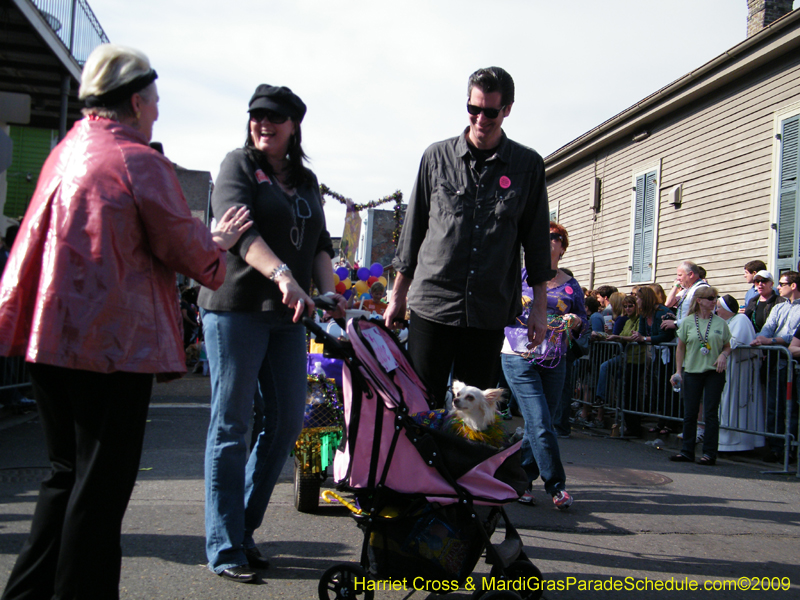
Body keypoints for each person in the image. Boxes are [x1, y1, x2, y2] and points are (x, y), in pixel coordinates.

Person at [0, 44, 251, 600]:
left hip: (49, 339)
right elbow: (183, 245)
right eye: (155, 102)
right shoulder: (137, 160)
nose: (157, 112)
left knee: (65, 477)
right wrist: (218, 245)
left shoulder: (66, 151)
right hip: (110, 346)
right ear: (136, 101)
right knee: (101, 491)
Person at [198, 84, 345, 583]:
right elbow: (240, 232)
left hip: (289, 316)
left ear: (293, 125)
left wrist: (330, 293)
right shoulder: (237, 165)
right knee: (232, 424)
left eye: (275, 118)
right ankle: (225, 545)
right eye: (257, 116)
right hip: (235, 308)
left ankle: (242, 528)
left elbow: (322, 243)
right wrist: (284, 275)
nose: (263, 124)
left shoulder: (306, 180)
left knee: (286, 422)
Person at [385, 66, 554, 408]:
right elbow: (414, 229)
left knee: (473, 414)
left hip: (487, 309)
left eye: (490, 112)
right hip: (433, 303)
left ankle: (463, 465)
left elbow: (536, 242)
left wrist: (539, 308)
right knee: (421, 405)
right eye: (473, 109)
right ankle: (419, 464)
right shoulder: (437, 157)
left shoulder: (527, 165)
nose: (480, 119)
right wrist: (397, 295)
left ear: (507, 109)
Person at [501, 222, 584, 509]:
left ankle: (520, 481)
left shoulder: (571, 285)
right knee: (537, 419)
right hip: (517, 354)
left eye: (554, 237)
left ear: (563, 246)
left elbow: (582, 320)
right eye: (543, 236)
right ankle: (556, 485)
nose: (548, 241)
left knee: (542, 423)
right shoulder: (519, 275)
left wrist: (575, 321)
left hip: (553, 358)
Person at [669, 286, 731, 466]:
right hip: (692, 372)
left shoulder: (720, 323)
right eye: (711, 298)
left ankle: (709, 453)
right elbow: (680, 348)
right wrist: (678, 371)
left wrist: (723, 355)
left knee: (711, 413)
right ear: (700, 301)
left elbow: (728, 345)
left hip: (714, 373)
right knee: (690, 413)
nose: (714, 301)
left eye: (715, 298)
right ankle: (687, 451)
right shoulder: (688, 322)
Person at [750, 271, 800, 463]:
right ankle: (775, 448)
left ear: (793, 286)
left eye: (781, 283)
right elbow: (768, 328)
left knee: (791, 409)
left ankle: (790, 449)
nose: (779, 287)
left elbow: (793, 338)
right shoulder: (779, 307)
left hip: (792, 364)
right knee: (773, 406)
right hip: (775, 362)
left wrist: (770, 340)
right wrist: (761, 339)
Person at [715, 295, 765, 452]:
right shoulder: (725, 322)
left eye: (719, 308)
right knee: (725, 405)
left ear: (728, 309)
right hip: (728, 369)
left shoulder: (741, 320)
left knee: (738, 405)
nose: (716, 310)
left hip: (740, 370)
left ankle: (739, 442)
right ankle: (724, 442)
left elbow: (734, 342)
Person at [631, 286, 676, 435]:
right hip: (657, 354)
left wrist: (644, 338)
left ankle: (670, 423)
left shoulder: (663, 312)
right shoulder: (644, 315)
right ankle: (661, 421)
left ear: (646, 299)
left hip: (669, 355)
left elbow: (666, 336)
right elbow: (643, 334)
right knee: (659, 387)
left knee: (668, 388)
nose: (636, 300)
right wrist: (638, 335)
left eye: (638, 298)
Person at [661, 261, 709, 331]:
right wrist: (676, 317)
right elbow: (668, 303)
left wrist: (676, 323)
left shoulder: (702, 290)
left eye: (680, 275)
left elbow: (702, 318)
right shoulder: (687, 290)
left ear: (691, 274)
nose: (678, 279)